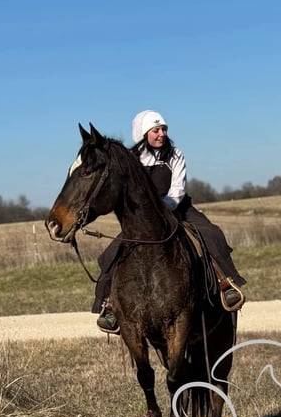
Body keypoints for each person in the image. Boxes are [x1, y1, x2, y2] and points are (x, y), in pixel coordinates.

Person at [94, 110, 246, 333]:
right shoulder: (131, 159)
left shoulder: (175, 154)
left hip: (178, 209)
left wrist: (160, 210)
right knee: (112, 252)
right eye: (156, 130)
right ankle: (109, 305)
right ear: (143, 134)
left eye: (164, 129)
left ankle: (225, 284)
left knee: (211, 233)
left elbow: (177, 191)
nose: (161, 134)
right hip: (144, 219)